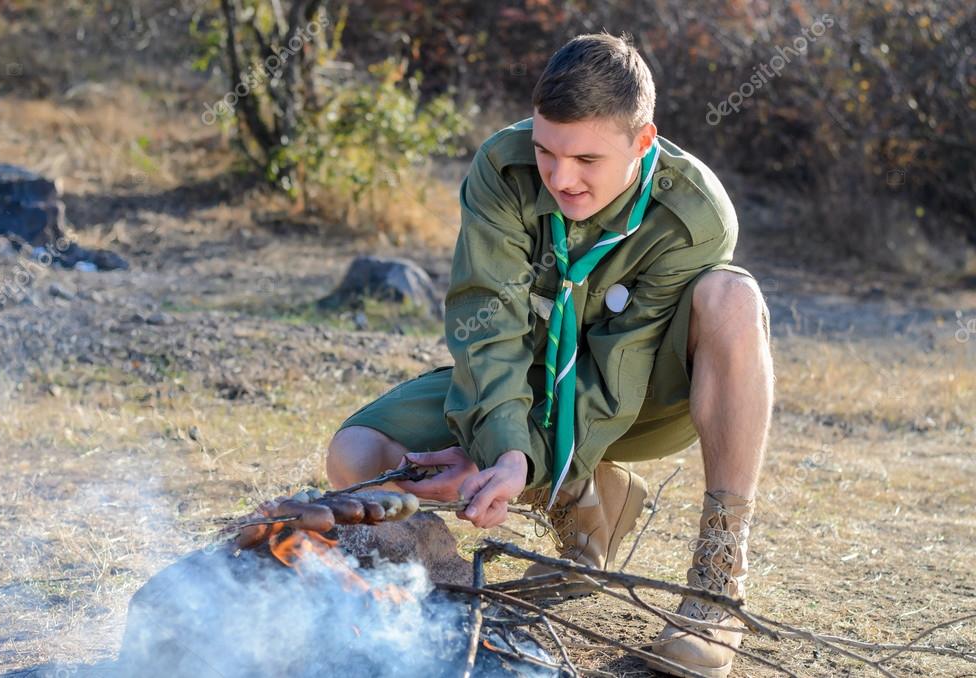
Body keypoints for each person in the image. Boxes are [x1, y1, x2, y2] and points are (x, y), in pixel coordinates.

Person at [326, 31, 774, 678]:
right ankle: (466, 597)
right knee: (355, 457)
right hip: (526, 388)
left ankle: (716, 588)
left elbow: (617, 378)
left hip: (651, 398)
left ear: (643, 142)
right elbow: (489, 334)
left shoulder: (693, 215)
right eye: (546, 151)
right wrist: (501, 449)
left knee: (732, 299)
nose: (562, 179)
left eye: (587, 159)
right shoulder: (502, 171)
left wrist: (524, 468)